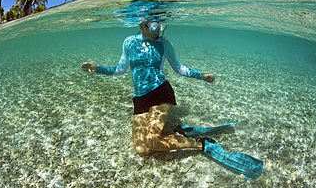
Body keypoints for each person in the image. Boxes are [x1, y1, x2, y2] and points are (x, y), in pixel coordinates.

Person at [81, 21, 215, 156]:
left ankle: (201, 144)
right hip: (140, 97)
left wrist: (201, 76)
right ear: (141, 26)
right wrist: (98, 69)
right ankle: (178, 134)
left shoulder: (164, 44)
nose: (158, 32)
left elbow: (179, 68)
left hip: (161, 91)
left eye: (161, 28)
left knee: (151, 141)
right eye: (154, 28)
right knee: (142, 150)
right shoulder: (130, 42)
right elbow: (120, 69)